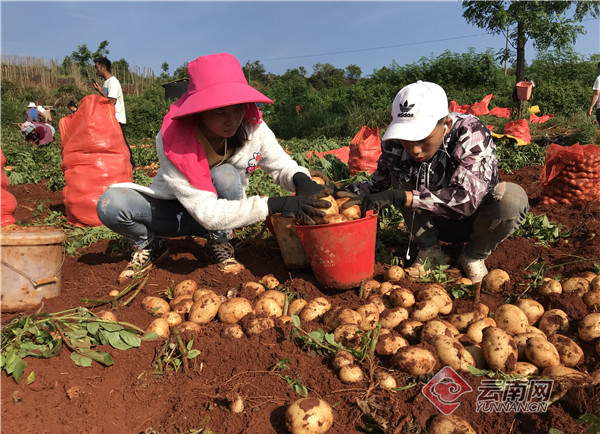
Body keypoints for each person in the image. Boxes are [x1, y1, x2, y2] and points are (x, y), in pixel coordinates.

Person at [96, 53, 329, 284]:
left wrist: (300, 179)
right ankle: (149, 245)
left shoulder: (252, 126)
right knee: (111, 204)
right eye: (219, 112)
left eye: (237, 109)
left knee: (225, 174)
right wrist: (274, 204)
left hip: (220, 214)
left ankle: (220, 242)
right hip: (176, 212)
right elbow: (207, 213)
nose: (232, 120)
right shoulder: (172, 139)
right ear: (200, 110)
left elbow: (280, 164)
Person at [339, 81, 529, 283]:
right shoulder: (395, 142)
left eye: (422, 138)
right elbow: (378, 184)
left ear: (446, 125)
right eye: (407, 140)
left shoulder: (471, 133)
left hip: (476, 222)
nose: (415, 150)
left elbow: (465, 200)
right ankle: (430, 249)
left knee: (512, 199)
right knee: (397, 175)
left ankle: (473, 255)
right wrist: (339, 192)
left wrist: (404, 197)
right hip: (428, 222)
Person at [93, 56, 135, 168]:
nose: (95, 70)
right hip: (110, 118)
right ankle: (120, 165)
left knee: (121, 142)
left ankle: (131, 165)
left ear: (104, 68)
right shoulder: (107, 82)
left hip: (116, 117)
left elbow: (112, 101)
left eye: (96, 68)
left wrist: (100, 91)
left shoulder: (113, 82)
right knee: (115, 143)